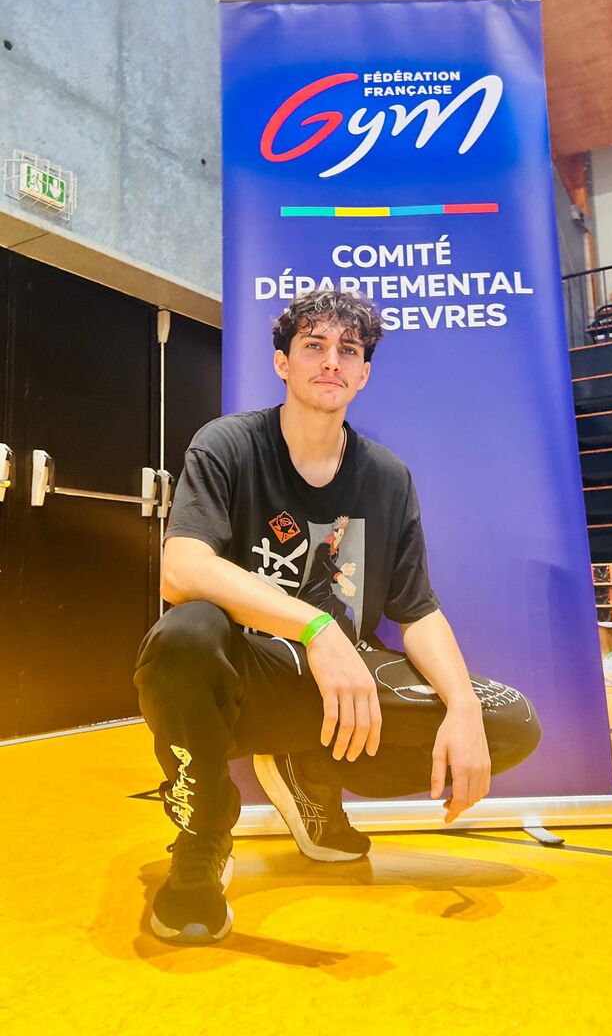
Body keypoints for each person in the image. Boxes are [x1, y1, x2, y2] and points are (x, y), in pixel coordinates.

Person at [135, 289, 541, 943]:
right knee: (183, 637)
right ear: (282, 362)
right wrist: (316, 627)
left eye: (347, 350)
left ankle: (309, 773)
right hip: (245, 679)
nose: (331, 361)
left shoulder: (386, 476)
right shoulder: (228, 444)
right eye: (313, 346)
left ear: (363, 373)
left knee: (507, 722)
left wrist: (462, 706)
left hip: (341, 692)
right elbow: (181, 569)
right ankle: (201, 835)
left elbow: (417, 610)